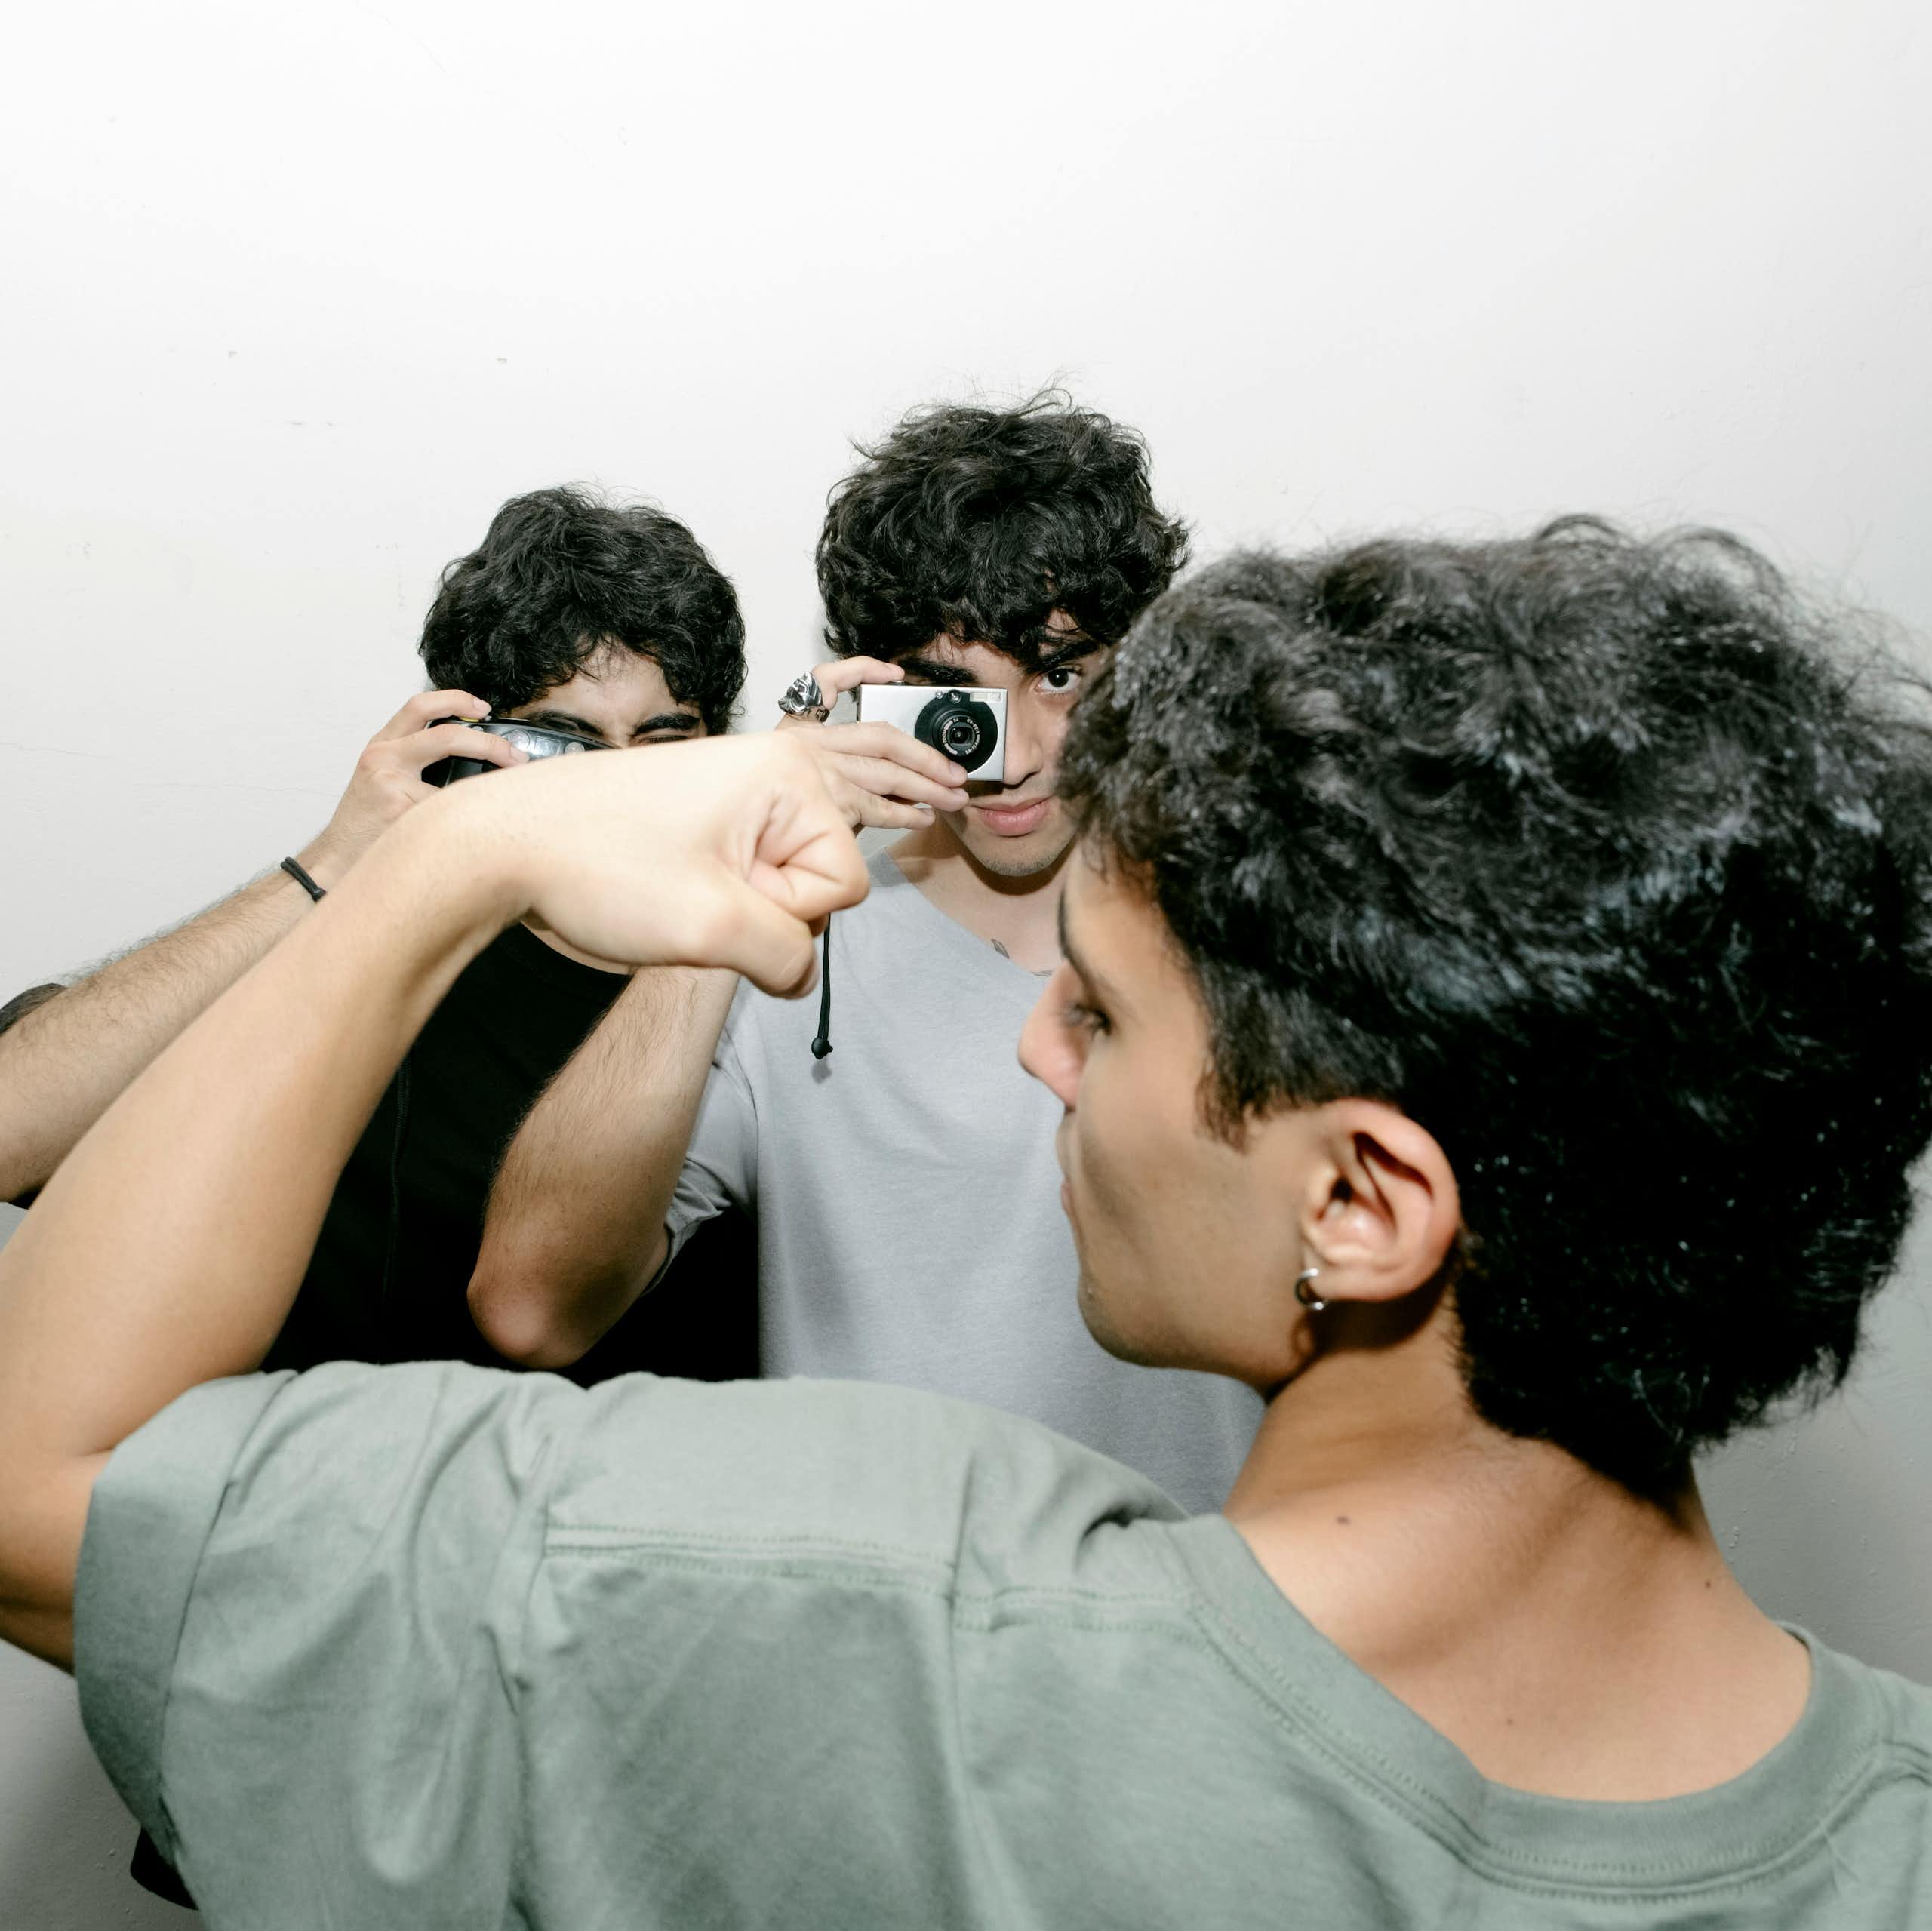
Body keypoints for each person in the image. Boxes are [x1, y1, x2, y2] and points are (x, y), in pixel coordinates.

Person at [5, 522, 1932, 1928]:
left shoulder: (853, 1637)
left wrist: (448, 854)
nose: (1035, 1045)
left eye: (1102, 1011)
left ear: (1359, 1201)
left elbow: (40, 1484)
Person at [0, 484, 760, 1907]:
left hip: (628, 1730)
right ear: (471, 745)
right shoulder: (362, 960)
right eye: (564, 743)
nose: (618, 787)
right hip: (307, 1696)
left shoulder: (760, 985)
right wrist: (342, 868)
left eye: (664, 744)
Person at [468, 395, 1266, 1514]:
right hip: (877, 1611)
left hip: (1198, 1595)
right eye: (957, 694)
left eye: (1061, 676)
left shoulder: (1259, 920)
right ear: (878, 685)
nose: (1015, 756)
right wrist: (744, 863)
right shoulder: (787, 948)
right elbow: (531, 1307)